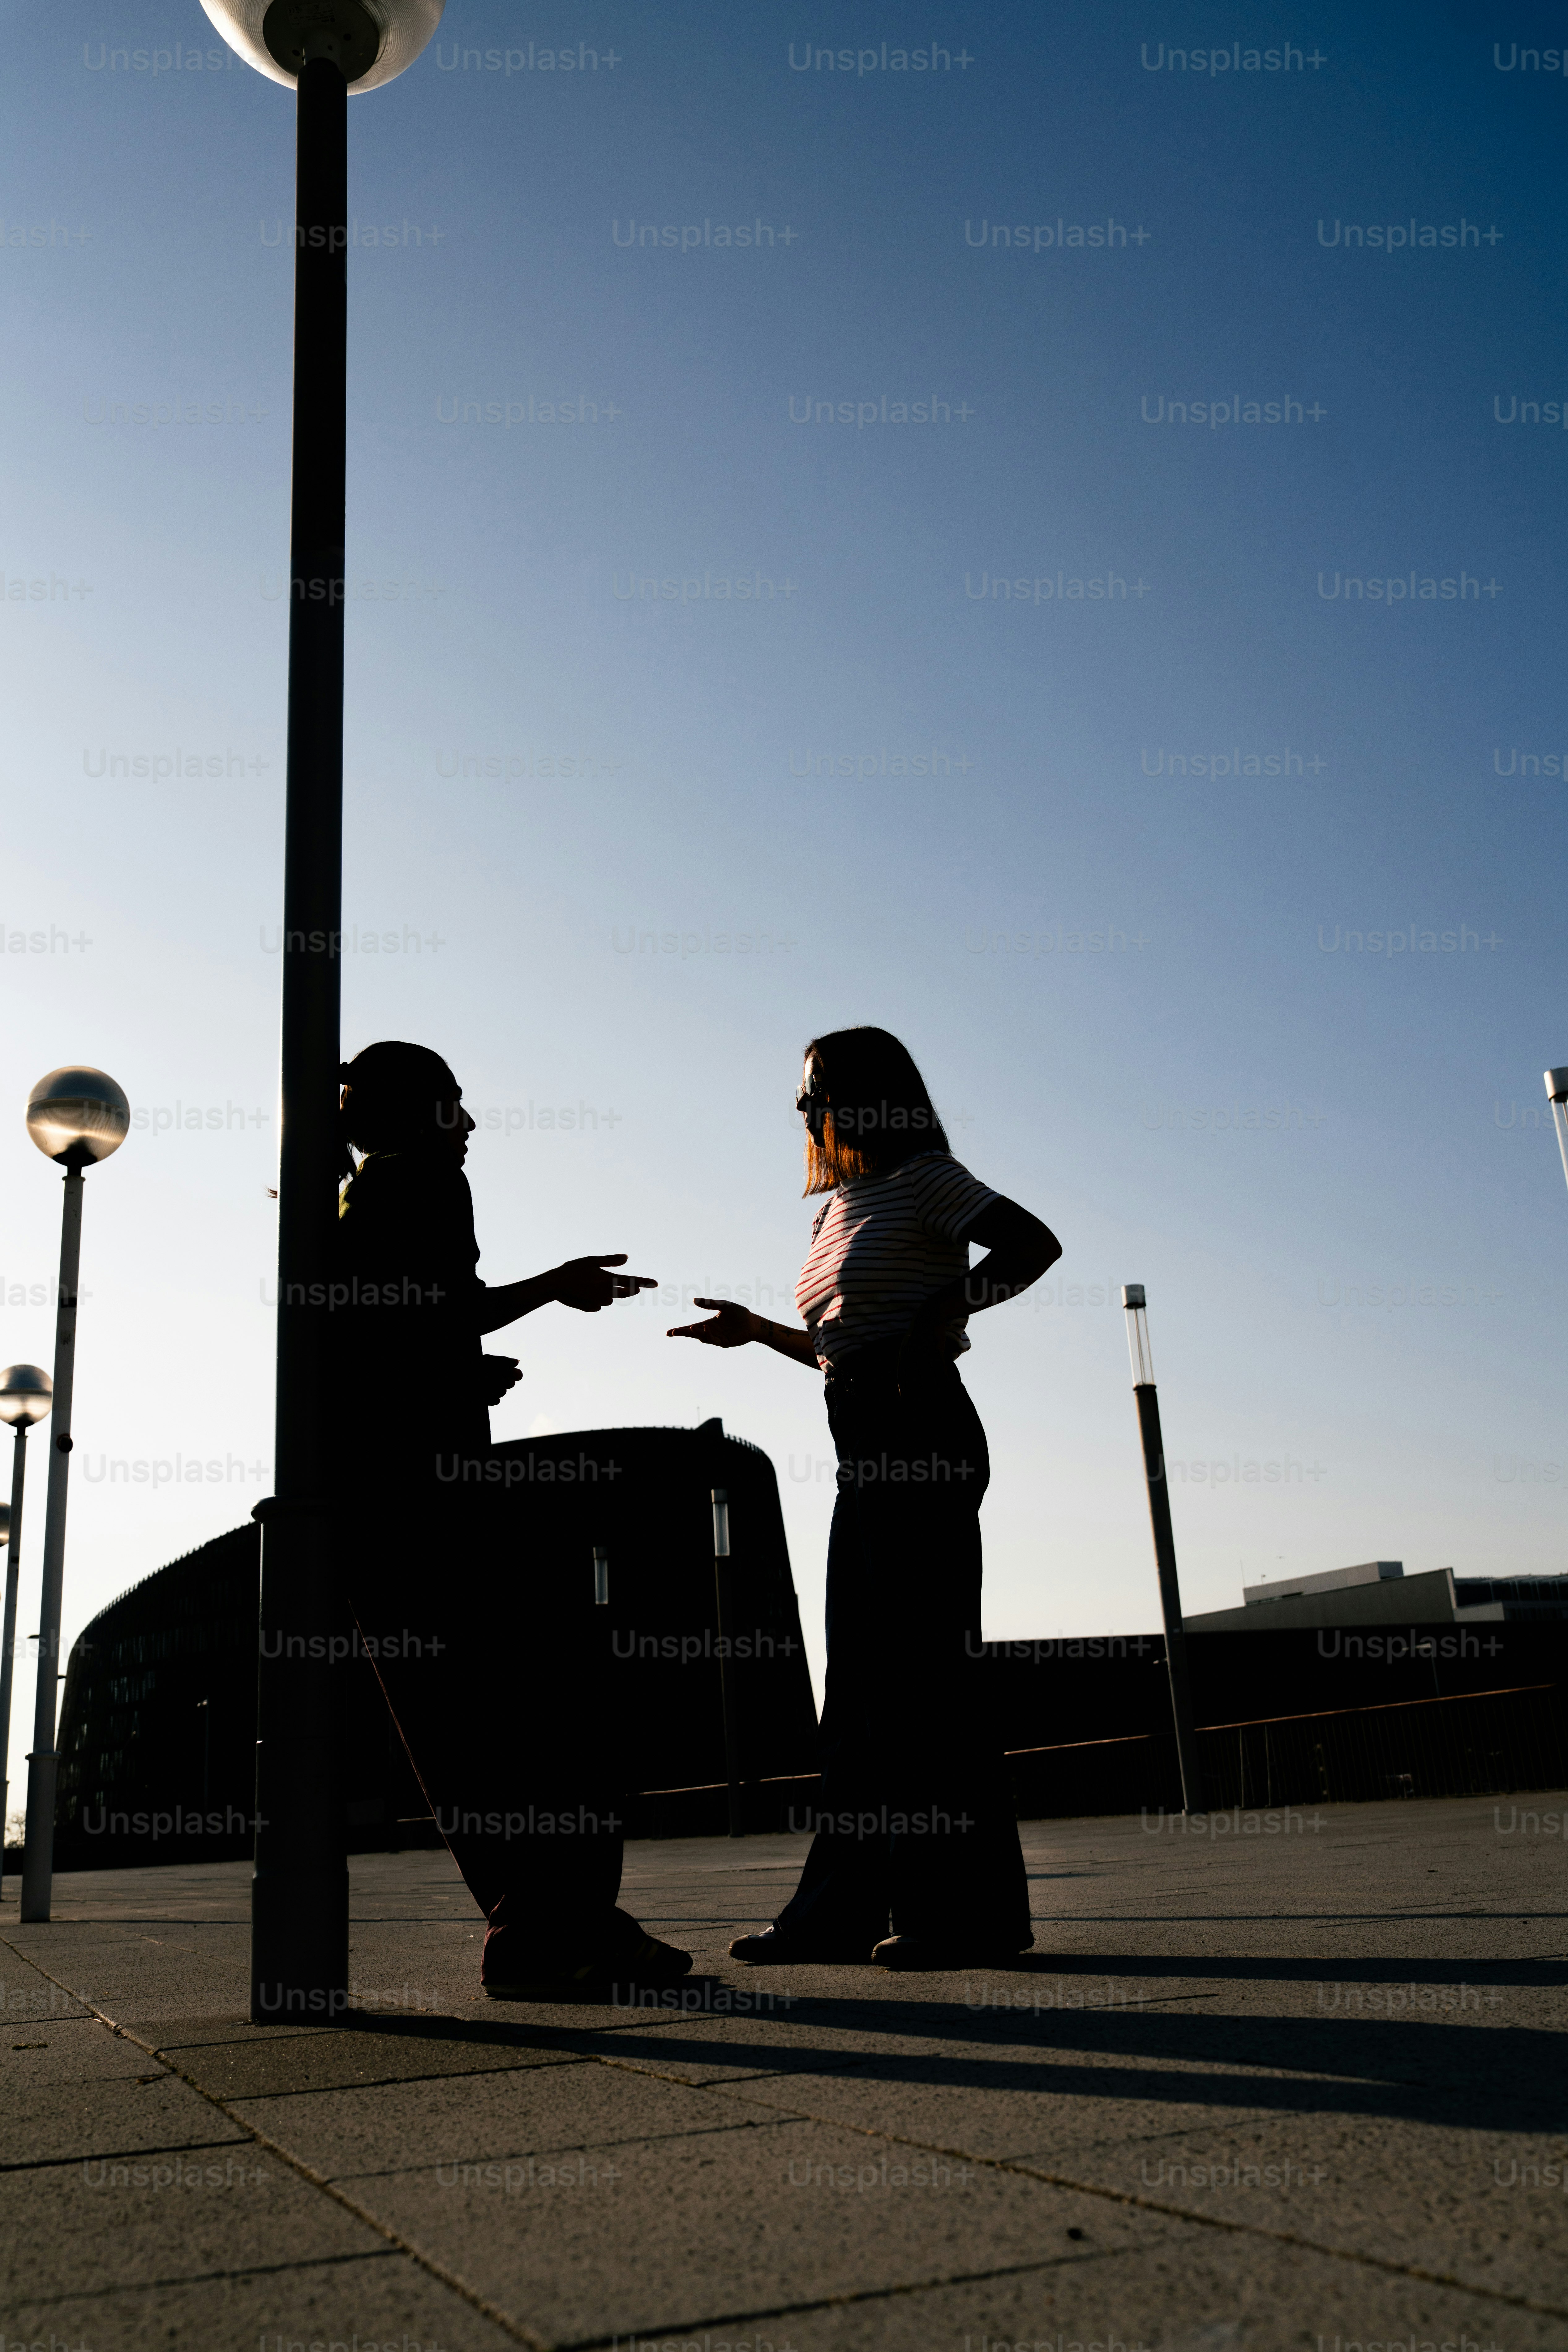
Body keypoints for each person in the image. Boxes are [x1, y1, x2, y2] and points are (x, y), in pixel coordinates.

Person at [669, 1026, 1061, 1967]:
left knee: (925, 1677)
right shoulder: (837, 1209)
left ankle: (967, 1915)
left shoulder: (926, 1178)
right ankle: (839, 1912)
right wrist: (758, 1330)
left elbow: (1033, 1244)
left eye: (820, 1093)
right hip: (861, 1438)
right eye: (804, 1099)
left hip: (922, 1429)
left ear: (874, 1095)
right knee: (856, 1690)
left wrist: (945, 1309)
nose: (808, 1112)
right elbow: (836, 1345)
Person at [331, 1038, 692, 1999]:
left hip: (384, 1489)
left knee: (476, 1720)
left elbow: (388, 1327)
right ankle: (546, 1928)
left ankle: (565, 1923)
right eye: (454, 1103)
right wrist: (552, 1287)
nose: (470, 1123)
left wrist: (454, 1370)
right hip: (421, 1494)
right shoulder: (421, 1179)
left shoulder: (363, 1193)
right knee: (532, 1705)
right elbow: (430, 1312)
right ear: (416, 1111)